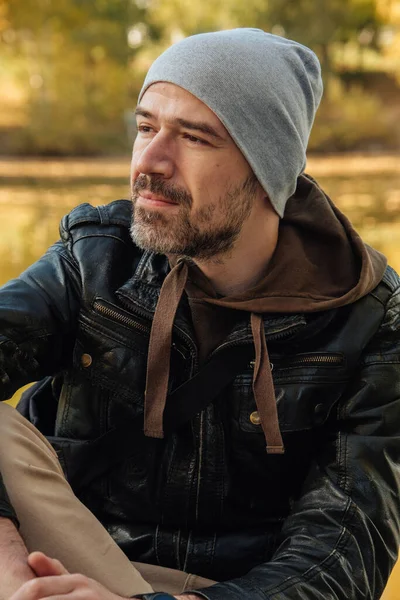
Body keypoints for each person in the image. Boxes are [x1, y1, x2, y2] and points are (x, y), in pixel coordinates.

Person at [0, 27, 399, 600]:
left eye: (194, 137)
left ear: (266, 172)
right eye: (145, 127)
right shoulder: (94, 260)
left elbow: (344, 550)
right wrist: (12, 570)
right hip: (60, 558)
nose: (151, 161)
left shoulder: (372, 321)